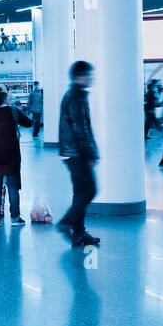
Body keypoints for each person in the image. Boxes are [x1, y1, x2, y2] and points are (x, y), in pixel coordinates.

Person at [57, 61, 100, 246]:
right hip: (77, 152)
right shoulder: (76, 97)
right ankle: (67, 221)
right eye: (87, 75)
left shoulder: (75, 95)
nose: (90, 78)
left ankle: (79, 233)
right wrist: (90, 153)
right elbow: (80, 128)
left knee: (80, 192)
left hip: (71, 150)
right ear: (78, 77)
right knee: (90, 189)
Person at [0, 87, 33, 225]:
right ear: (5, 97)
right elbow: (29, 123)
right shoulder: (12, 111)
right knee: (13, 186)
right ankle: (15, 218)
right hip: (11, 154)